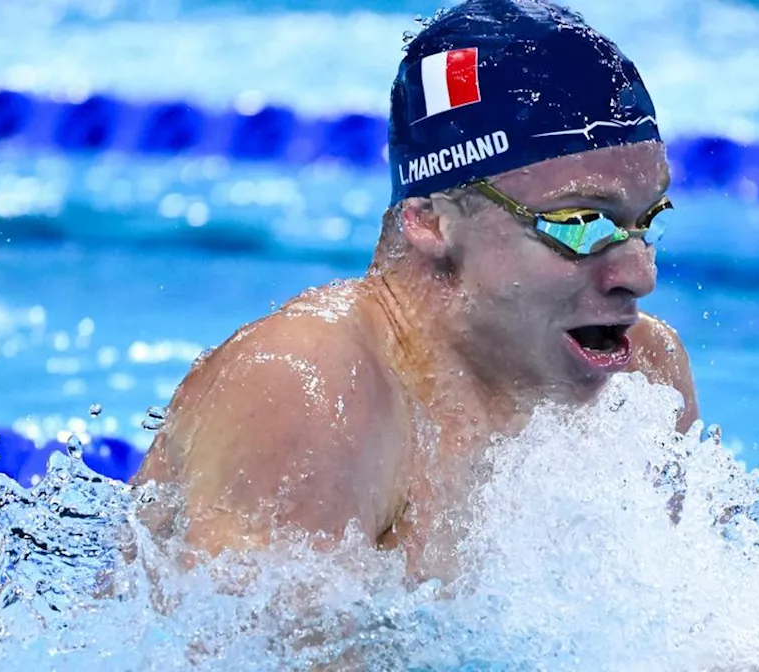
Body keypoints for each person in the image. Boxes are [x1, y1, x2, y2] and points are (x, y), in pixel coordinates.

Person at [130, 0, 699, 581]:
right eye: (579, 223)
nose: (639, 275)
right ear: (431, 221)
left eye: (646, 221)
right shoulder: (315, 390)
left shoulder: (644, 377)